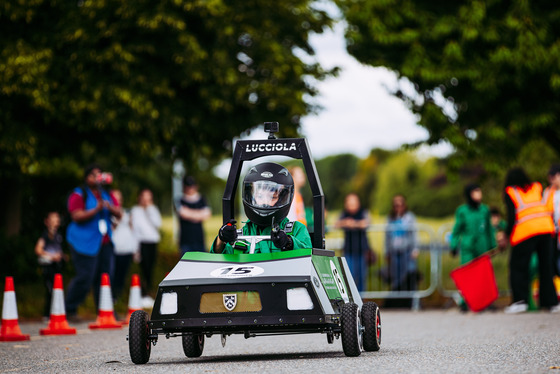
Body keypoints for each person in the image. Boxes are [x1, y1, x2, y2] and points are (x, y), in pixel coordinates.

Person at [212, 162, 312, 254]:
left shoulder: (296, 230)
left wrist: (288, 242)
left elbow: (309, 256)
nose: (265, 202)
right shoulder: (240, 236)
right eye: (260, 196)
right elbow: (218, 261)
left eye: (272, 197)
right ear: (250, 197)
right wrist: (221, 239)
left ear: (282, 199)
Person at [65, 164, 122, 320]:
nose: (97, 178)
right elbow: (76, 216)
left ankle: (105, 310)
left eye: (99, 175)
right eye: (93, 175)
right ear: (87, 178)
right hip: (82, 242)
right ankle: (69, 309)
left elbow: (120, 213)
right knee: (85, 276)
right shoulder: (79, 194)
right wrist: (96, 209)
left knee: (105, 277)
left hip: (104, 241)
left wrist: (110, 207)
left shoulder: (107, 194)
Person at [503, 167, 559, 313]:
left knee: (518, 267)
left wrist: (506, 235)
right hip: (546, 229)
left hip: (525, 232)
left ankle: (520, 301)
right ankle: (551, 303)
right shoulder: (537, 187)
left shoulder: (511, 191)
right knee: (546, 267)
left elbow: (511, 217)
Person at [449, 184, 495, 311]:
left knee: (483, 274)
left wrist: (493, 245)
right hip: (468, 245)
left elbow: (489, 230)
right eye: (476, 192)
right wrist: (454, 245)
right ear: (470, 194)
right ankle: (465, 301)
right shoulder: (462, 211)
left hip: (482, 245)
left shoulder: (484, 210)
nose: (479, 194)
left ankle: (486, 301)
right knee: (468, 273)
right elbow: (457, 230)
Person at [131, 188, 162, 308]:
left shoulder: (153, 209)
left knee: (151, 268)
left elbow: (157, 223)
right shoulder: (136, 210)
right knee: (144, 269)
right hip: (142, 242)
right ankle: (142, 294)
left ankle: (148, 293)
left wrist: (149, 209)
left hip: (152, 241)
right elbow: (135, 230)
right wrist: (135, 249)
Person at [384, 194, 419, 301]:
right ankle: (398, 300)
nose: (398, 207)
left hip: (407, 251)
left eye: (400, 204)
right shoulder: (390, 219)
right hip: (395, 251)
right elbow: (387, 237)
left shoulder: (410, 217)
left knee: (410, 274)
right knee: (396, 276)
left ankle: (411, 300)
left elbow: (414, 234)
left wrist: (415, 248)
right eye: (396, 205)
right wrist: (387, 251)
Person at [335, 193, 371, 292]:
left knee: (361, 277)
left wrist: (354, 224)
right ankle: (351, 300)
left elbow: (367, 223)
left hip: (362, 249)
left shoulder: (363, 212)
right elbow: (336, 224)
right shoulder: (344, 214)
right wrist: (345, 222)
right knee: (348, 277)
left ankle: (361, 299)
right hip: (348, 250)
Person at [35, 211, 66, 319]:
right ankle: (47, 314)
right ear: (47, 222)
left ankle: (56, 313)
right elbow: (38, 249)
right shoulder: (45, 235)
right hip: (48, 266)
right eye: (53, 220)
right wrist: (51, 256)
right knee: (50, 290)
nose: (55, 222)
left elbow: (58, 250)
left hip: (56, 266)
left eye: (56, 220)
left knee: (57, 289)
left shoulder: (58, 236)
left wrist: (62, 256)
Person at [110, 189, 139, 302]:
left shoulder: (127, 213)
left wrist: (135, 248)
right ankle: (110, 297)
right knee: (113, 273)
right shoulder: (108, 214)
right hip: (114, 248)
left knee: (122, 275)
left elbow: (133, 230)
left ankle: (118, 297)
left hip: (127, 248)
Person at [177, 176, 211, 256]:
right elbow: (183, 214)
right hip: (185, 240)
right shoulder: (180, 199)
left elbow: (207, 214)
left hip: (199, 239)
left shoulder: (202, 199)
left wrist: (190, 214)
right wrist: (199, 214)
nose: (190, 189)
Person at [544, 164, 560, 276]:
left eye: (553, 178)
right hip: (552, 232)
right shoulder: (548, 192)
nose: (552, 181)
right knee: (552, 261)